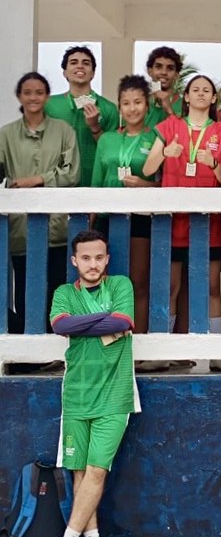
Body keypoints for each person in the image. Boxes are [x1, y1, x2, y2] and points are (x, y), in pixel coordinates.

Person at [50, 229, 139, 537]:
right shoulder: (64, 292)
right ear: (75, 260)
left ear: (107, 259)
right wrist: (105, 318)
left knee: (97, 470)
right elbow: (59, 325)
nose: (92, 264)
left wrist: (84, 323)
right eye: (85, 258)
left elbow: (124, 320)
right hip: (76, 393)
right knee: (79, 473)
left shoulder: (120, 285)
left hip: (115, 394)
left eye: (99, 257)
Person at [143, 75, 221, 349]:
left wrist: (214, 162)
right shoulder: (170, 126)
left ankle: (217, 350)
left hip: (209, 223)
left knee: (211, 288)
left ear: (214, 97)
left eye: (207, 90)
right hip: (174, 222)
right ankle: (164, 350)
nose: (201, 94)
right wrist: (165, 153)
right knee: (170, 288)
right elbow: (148, 170)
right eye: (195, 90)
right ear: (185, 96)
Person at [0, 72, 80, 344]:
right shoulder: (6, 134)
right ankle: (29, 354)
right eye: (27, 92)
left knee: (57, 291)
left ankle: (55, 351)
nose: (33, 97)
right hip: (20, 229)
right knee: (26, 289)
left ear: (46, 96)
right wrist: (10, 183)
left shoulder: (63, 131)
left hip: (57, 227)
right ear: (20, 97)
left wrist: (37, 180)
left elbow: (72, 174)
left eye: (39, 92)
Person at [91, 76, 158, 343]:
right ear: (119, 106)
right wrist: (90, 225)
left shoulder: (156, 138)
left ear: (147, 105)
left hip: (140, 219)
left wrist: (144, 184)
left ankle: (137, 342)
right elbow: (96, 182)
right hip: (106, 220)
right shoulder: (106, 139)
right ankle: (105, 341)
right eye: (126, 103)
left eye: (138, 102)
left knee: (138, 284)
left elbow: (164, 182)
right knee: (104, 284)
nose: (132, 109)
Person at [45, 46, 119, 187]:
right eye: (73, 62)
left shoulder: (108, 108)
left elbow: (112, 151)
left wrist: (95, 127)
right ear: (65, 73)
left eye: (86, 63)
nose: (80, 66)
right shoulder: (49, 105)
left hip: (96, 183)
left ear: (93, 73)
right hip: (57, 184)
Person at [144, 46, 183, 128]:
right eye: (158, 67)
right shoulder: (138, 103)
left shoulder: (186, 106)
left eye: (170, 68)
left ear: (176, 75)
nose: (164, 72)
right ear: (149, 71)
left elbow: (185, 137)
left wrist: (169, 110)